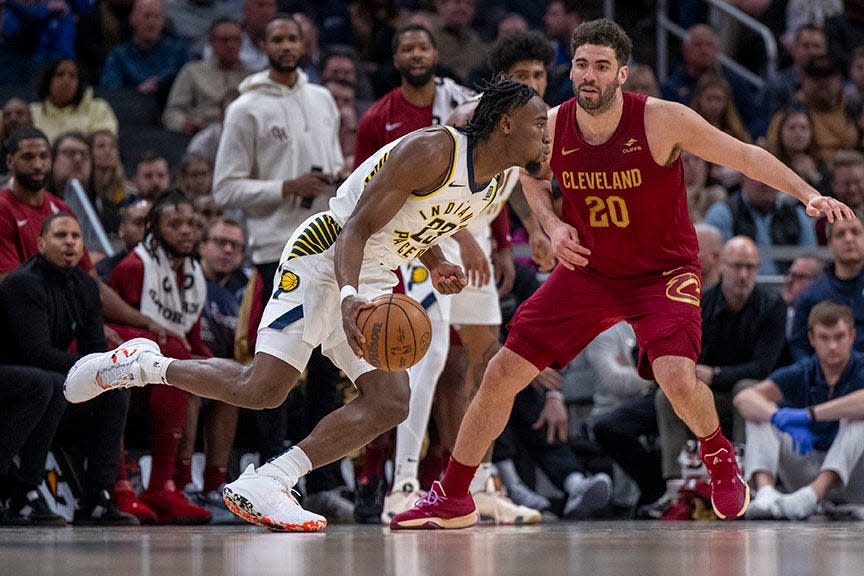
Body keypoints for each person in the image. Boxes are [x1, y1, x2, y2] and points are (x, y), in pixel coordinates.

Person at [391, 18, 853, 530]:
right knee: (502, 373)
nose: (588, 75)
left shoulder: (662, 119)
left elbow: (742, 155)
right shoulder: (552, 122)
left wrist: (809, 194)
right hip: (591, 270)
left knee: (676, 378)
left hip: (662, 271)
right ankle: (454, 496)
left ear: (622, 75)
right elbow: (530, 175)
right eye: (581, 65)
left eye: (601, 67)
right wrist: (551, 225)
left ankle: (719, 453)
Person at [62, 77, 550, 532]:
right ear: (505, 123)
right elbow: (356, 225)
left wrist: (436, 259)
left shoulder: (488, 185)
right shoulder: (433, 149)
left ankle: (270, 480)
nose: (546, 133)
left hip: (374, 271)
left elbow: (413, 220)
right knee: (262, 388)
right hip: (326, 254)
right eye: (539, 122)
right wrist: (348, 298)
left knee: (390, 401)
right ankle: (142, 365)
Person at [0, 213, 136, 526]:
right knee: (46, 382)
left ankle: (94, 498)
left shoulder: (86, 286)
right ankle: (20, 491)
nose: (71, 242)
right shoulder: (22, 283)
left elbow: (93, 348)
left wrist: (109, 370)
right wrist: (95, 365)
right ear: (40, 243)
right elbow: (35, 353)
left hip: (45, 380)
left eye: (76, 236)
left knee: (114, 389)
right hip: (13, 374)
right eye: (61, 236)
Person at [734, 302, 864, 520]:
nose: (832, 346)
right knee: (759, 415)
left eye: (839, 337)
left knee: (858, 420)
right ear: (812, 338)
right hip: (806, 467)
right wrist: (776, 417)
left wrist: (808, 414)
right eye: (824, 338)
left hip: (854, 477)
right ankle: (767, 494)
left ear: (852, 336)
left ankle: (814, 494)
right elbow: (744, 397)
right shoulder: (804, 371)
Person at [790, 212, 864, 361]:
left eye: (855, 232)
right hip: (826, 378)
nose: (849, 239)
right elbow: (799, 347)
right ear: (829, 244)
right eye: (840, 234)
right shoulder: (811, 295)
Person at [162, 18, 250, 134]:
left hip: (243, 134)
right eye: (225, 40)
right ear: (212, 42)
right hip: (202, 133)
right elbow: (173, 112)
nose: (231, 45)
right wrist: (184, 123)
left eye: (236, 40)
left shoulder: (251, 77)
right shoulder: (192, 71)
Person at [30, 59, 118, 144]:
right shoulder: (32, 112)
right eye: (60, 74)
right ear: (48, 81)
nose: (66, 81)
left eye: (72, 76)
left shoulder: (98, 109)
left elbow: (104, 144)